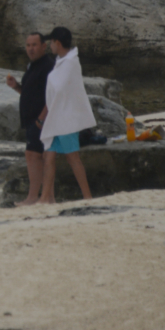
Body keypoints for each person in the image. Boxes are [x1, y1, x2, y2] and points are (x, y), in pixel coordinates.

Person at [35, 26, 93, 204]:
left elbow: (62, 90)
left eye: (51, 42)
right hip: (56, 119)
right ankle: (45, 197)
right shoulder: (62, 61)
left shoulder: (71, 63)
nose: (50, 46)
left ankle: (87, 196)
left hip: (66, 118)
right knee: (49, 156)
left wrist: (46, 114)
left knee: (72, 157)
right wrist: (46, 116)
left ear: (57, 43)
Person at [5, 31, 54, 206]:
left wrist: (41, 118)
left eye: (34, 45)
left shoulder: (48, 66)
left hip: (40, 119)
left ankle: (34, 197)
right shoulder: (32, 65)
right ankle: (44, 197)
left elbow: (52, 95)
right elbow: (28, 92)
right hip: (32, 119)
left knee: (33, 154)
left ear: (43, 46)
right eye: (28, 45)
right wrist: (16, 86)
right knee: (37, 155)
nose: (31, 49)